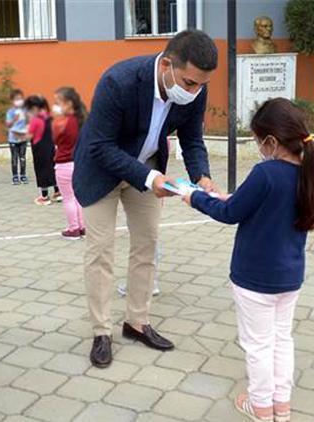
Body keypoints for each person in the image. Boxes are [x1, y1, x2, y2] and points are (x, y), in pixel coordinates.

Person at [72, 29, 219, 368]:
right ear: (167, 65)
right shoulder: (118, 81)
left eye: (200, 85)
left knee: (147, 245)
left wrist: (202, 176)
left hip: (149, 169)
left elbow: (192, 138)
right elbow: (100, 146)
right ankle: (101, 332)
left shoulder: (194, 88)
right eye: (189, 82)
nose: (195, 91)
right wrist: (149, 178)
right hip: (102, 171)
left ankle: (136, 322)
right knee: (100, 252)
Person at [183, 98, 314, 422]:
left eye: (258, 141)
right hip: (290, 277)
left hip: (254, 279)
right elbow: (255, 204)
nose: (258, 147)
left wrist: (195, 198)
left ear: (271, 142)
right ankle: (282, 405)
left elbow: (229, 213)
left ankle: (260, 407)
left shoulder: (265, 172)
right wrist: (230, 199)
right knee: (281, 339)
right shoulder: (306, 171)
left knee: (258, 345)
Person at [52, 87, 86, 240]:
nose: (56, 106)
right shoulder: (82, 119)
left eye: (58, 102)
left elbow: (54, 138)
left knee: (68, 197)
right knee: (78, 197)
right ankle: (83, 226)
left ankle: (73, 228)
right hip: (79, 163)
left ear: (68, 103)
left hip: (64, 163)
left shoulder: (62, 122)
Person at [24, 95, 59, 205]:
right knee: (52, 168)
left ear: (34, 108)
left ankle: (44, 197)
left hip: (39, 149)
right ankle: (58, 192)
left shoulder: (35, 120)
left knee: (41, 171)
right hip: (51, 147)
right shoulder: (49, 117)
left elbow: (29, 136)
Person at [6, 89, 29, 185]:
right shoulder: (10, 112)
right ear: (12, 101)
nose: (19, 101)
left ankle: (23, 175)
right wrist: (14, 120)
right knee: (14, 158)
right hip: (13, 138)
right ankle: (15, 176)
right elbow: (8, 125)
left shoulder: (25, 111)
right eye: (16, 99)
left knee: (22, 157)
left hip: (23, 137)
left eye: (20, 99)